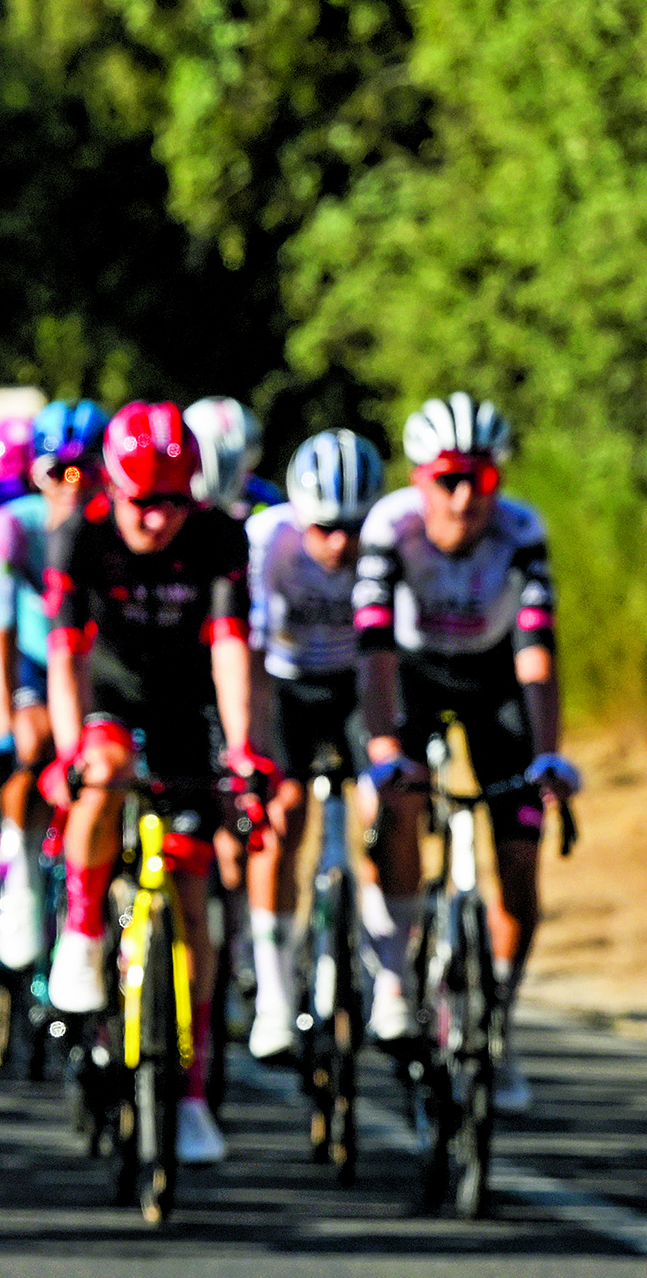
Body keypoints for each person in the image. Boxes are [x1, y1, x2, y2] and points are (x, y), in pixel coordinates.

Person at [44, 400, 265, 1167]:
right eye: (141, 500)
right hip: (105, 695)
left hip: (183, 709)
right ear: (111, 486)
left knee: (193, 891)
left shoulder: (219, 535)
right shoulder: (80, 536)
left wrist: (242, 751)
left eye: (174, 501)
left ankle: (192, 1089)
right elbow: (65, 652)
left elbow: (230, 647)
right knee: (101, 773)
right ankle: (81, 934)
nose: (157, 518)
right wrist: (69, 752)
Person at [355, 393, 570, 1105]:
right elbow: (373, 651)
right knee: (400, 805)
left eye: (478, 479)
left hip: (494, 677)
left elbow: (537, 651)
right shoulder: (389, 526)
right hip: (412, 675)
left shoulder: (519, 529)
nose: (462, 497)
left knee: (520, 854)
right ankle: (393, 977)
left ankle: (497, 1018)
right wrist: (384, 747)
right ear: (418, 479)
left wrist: (546, 754)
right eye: (445, 479)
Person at [239, 429, 385, 1057]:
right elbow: (247, 653)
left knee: (382, 807)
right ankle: (274, 996)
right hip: (285, 686)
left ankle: (386, 978)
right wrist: (253, 747)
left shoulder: (388, 541)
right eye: (324, 527)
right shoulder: (266, 539)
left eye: (354, 527)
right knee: (283, 817)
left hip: (355, 684)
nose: (341, 543)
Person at [0, 401, 103, 970]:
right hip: (31, 662)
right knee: (29, 742)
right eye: (59, 472)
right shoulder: (12, 527)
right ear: (35, 474)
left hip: (92, 663)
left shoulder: (110, 528)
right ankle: (23, 866)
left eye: (86, 472)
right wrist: (3, 734)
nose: (72, 486)